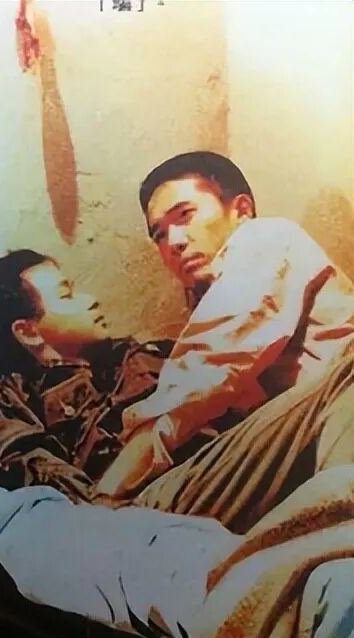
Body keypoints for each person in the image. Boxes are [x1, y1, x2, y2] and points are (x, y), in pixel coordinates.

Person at [96, 152, 354, 531]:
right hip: (279, 460)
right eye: (159, 234)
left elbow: (207, 369)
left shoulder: (265, 238)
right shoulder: (210, 298)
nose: (174, 242)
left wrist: (108, 490)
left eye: (185, 215)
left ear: (241, 210)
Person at [0, 249, 189, 502]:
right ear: (28, 332)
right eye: (66, 295)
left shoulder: (129, 357)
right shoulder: (15, 408)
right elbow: (67, 500)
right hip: (144, 504)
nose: (90, 300)